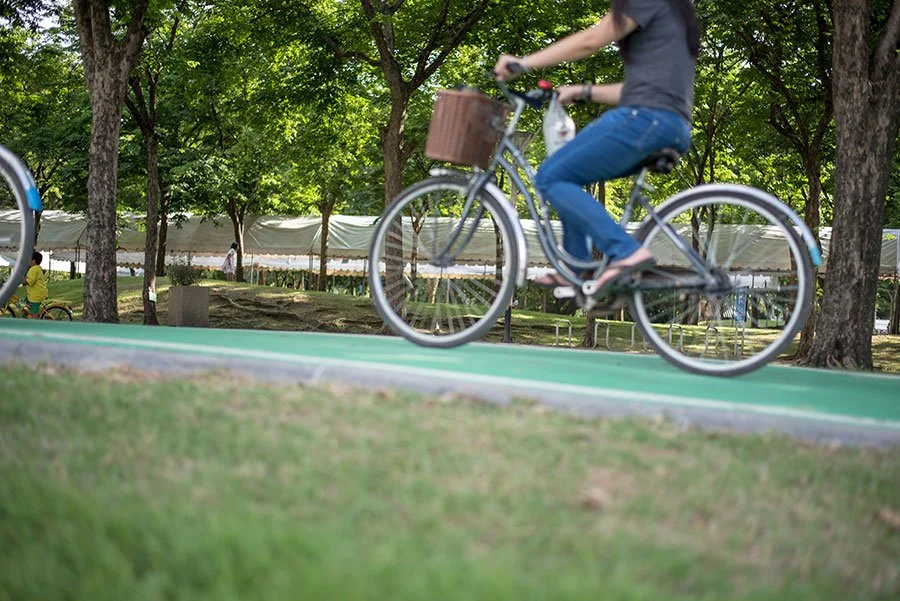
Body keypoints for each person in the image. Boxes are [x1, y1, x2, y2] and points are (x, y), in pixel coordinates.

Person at [494, 0, 699, 296]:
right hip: (670, 126)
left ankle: (624, 250)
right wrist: (582, 91)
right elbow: (639, 89)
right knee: (569, 175)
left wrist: (523, 63)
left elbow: (591, 40)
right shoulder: (676, 16)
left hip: (643, 118)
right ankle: (577, 270)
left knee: (551, 176)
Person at [24, 251, 48, 317]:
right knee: (25, 302)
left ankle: (35, 322)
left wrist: (18, 280)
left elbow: (29, 281)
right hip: (38, 293)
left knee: (34, 312)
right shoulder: (37, 268)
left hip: (36, 295)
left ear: (33, 261)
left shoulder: (34, 269)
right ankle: (33, 314)